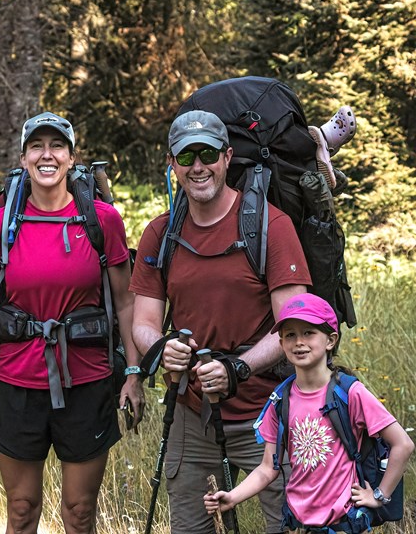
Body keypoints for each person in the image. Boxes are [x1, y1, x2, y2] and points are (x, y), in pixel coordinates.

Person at [0, 111, 145, 534]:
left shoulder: (102, 221)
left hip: (88, 382)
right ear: (23, 159)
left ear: (71, 158)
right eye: (36, 146)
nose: (47, 155)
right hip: (17, 383)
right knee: (21, 510)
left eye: (56, 146)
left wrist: (132, 373)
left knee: (79, 513)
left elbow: (125, 302)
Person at [130, 109, 313, 533]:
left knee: (290, 525)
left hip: (267, 411)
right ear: (172, 163)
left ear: (228, 157)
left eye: (208, 154)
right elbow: (144, 321)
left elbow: (295, 323)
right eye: (186, 156)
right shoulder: (161, 233)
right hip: (193, 414)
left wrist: (239, 367)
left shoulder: (270, 225)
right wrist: (161, 348)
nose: (198, 166)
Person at [204, 293, 414, 533]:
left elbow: (403, 444)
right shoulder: (280, 399)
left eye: (308, 333)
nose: (299, 342)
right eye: (290, 335)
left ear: (330, 340)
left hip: (343, 523)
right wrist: (232, 497)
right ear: (281, 344)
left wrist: (379, 495)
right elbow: (267, 468)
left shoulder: (350, 393)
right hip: (298, 524)